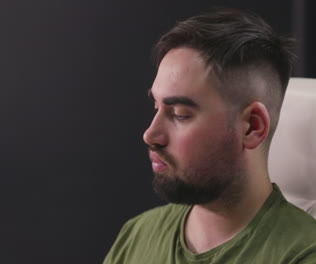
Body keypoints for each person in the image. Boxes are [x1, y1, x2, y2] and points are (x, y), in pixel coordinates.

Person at [103, 9, 316, 264]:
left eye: (180, 114)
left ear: (251, 126)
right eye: (156, 107)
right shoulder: (137, 235)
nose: (151, 135)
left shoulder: (301, 254)